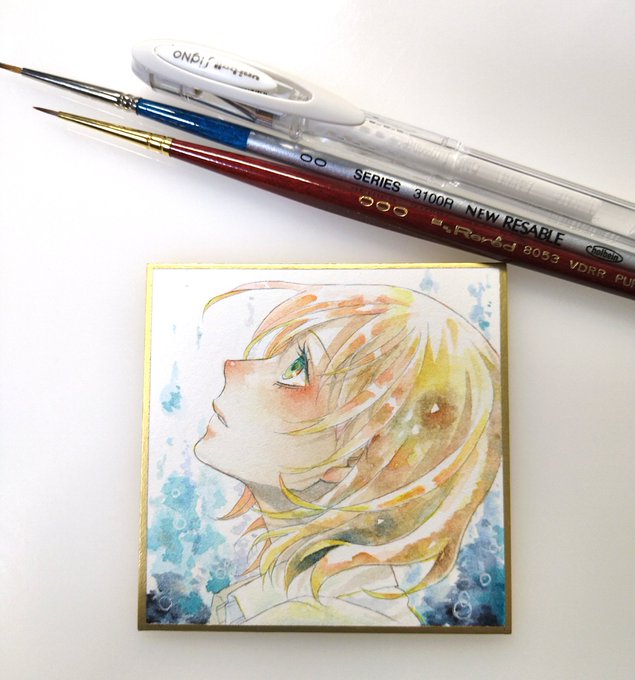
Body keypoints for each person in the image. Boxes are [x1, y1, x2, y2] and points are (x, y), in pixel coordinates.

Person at [194, 280, 503, 626]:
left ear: (360, 455)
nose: (232, 366)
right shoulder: (279, 601)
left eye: (295, 370)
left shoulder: (312, 619)